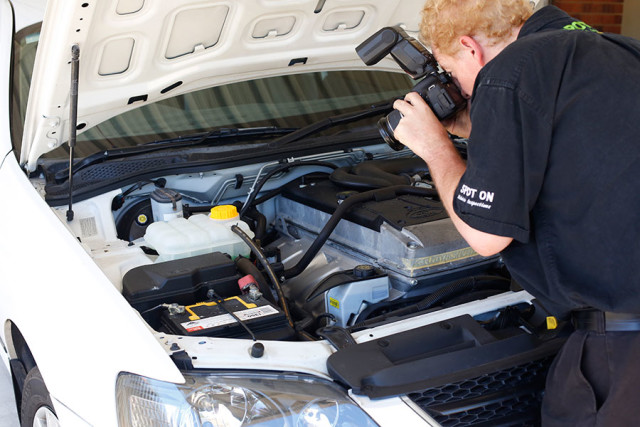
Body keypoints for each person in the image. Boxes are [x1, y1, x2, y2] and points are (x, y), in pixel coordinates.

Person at [391, 1, 640, 425]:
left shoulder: (510, 72)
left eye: (452, 74)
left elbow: (485, 237)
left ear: (470, 48)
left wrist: (435, 147)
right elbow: (578, 147)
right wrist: (482, 124)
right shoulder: (618, 49)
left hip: (622, 351)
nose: (464, 91)